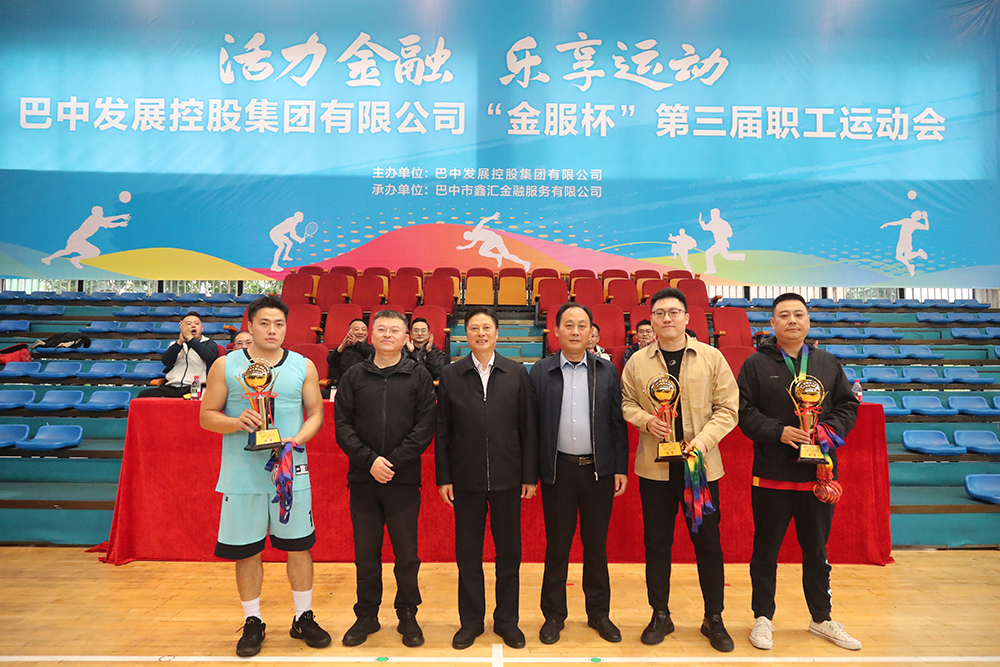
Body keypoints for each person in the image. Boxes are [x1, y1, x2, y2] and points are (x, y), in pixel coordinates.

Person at [199, 295, 330, 657]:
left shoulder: (303, 365)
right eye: (264, 323)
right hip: (242, 475)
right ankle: (253, 620)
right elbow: (207, 416)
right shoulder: (226, 365)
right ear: (250, 326)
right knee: (247, 552)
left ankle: (303, 616)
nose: (272, 330)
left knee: (299, 546)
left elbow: (316, 414)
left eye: (279, 324)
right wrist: (235, 421)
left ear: (287, 327)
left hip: (289, 471)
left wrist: (296, 441)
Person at [736, 292, 861, 652]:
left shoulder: (827, 362)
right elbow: (743, 411)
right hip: (771, 473)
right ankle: (763, 618)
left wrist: (827, 431)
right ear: (772, 323)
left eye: (798, 314)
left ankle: (821, 618)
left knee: (817, 552)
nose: (792, 320)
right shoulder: (754, 364)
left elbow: (847, 406)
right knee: (765, 551)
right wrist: (779, 431)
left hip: (817, 475)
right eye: (784, 315)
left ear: (808, 321)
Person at [620, 287, 738, 652]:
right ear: (651, 321)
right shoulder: (637, 362)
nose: (666, 318)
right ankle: (660, 614)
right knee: (656, 544)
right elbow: (625, 402)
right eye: (659, 313)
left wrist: (700, 442)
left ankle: (714, 617)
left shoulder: (711, 357)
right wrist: (645, 421)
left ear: (687, 318)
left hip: (699, 469)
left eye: (673, 312)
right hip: (655, 470)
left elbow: (728, 408)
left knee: (709, 545)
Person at [435, 305, 539, 650]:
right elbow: (442, 431)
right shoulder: (451, 375)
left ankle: (507, 621)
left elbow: (529, 427)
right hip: (465, 480)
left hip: (509, 478)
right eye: (474, 328)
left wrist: (529, 474)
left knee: (509, 553)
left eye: (487, 328)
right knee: (468, 554)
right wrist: (444, 477)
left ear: (497, 333)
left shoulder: (516, 373)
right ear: (465, 335)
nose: (481, 334)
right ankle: (471, 622)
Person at [335, 309, 436, 648]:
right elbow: (343, 426)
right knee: (366, 554)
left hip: (403, 480)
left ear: (406, 337)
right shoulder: (354, 375)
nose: (387, 335)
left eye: (395, 330)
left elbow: (425, 427)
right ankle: (367, 615)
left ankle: (407, 613)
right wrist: (370, 461)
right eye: (381, 329)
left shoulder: (419, 375)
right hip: (363, 480)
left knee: (406, 554)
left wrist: (390, 463)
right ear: (372, 335)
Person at [530, 303, 629, 645]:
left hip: (598, 472)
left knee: (596, 546)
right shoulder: (540, 371)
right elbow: (530, 426)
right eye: (568, 325)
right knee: (557, 546)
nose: (575, 331)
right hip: (558, 472)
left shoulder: (606, 370)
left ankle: (599, 613)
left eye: (582, 325)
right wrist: (532, 472)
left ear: (591, 333)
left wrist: (619, 467)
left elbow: (616, 422)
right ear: (556, 331)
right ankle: (553, 615)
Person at [137, 311, 219, 398]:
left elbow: (209, 356)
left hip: (195, 387)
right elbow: (166, 361)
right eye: (188, 324)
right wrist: (179, 343)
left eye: (196, 323)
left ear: (202, 328)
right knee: (143, 396)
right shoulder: (175, 344)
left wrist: (190, 339)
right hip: (172, 387)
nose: (193, 326)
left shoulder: (209, 344)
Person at [41, 205, 130, 269]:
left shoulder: (96, 219)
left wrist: (121, 218)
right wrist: (120, 222)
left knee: (67, 251)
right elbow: (108, 223)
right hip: (77, 239)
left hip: (76, 238)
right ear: (97, 212)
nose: (102, 212)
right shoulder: (95, 219)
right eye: (101, 211)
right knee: (95, 252)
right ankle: (75, 259)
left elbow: (107, 220)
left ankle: (48, 259)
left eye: (102, 211)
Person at [455, 212, 531, 271]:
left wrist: (492, 217)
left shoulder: (476, 231)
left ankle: (524, 263)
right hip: (492, 241)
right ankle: (499, 256)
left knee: (506, 255)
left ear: (470, 235)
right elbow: (471, 245)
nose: (469, 240)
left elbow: (482, 222)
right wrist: (462, 248)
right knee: (483, 252)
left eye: (468, 239)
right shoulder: (475, 237)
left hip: (496, 239)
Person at [880, 210, 929, 277]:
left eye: (913, 213)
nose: (912, 214)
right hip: (904, 240)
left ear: (914, 215)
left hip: (905, 240)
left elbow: (896, 223)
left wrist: (887, 224)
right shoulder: (911, 222)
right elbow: (926, 227)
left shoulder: (907, 221)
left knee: (902, 256)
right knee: (903, 256)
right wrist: (926, 218)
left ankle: (917, 256)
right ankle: (911, 264)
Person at [327, 319, 374, 386]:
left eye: (363, 330)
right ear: (349, 332)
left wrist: (357, 344)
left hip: (365, 386)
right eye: (356, 329)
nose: (360, 332)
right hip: (345, 386)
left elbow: (373, 355)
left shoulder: (372, 349)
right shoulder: (344, 350)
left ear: (367, 333)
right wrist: (342, 346)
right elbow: (330, 361)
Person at [698, 208, 746, 275]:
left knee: (709, 253)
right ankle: (741, 256)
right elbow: (705, 228)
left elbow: (730, 234)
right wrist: (701, 222)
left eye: (713, 214)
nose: (711, 216)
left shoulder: (723, 223)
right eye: (711, 214)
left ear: (717, 214)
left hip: (722, 243)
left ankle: (711, 270)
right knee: (726, 256)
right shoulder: (712, 222)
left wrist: (722, 234)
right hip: (718, 243)